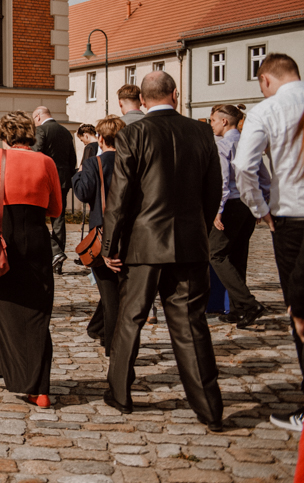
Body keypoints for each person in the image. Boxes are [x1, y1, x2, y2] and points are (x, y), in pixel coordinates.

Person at [101, 71, 224, 432]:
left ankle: (120, 394)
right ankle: (210, 409)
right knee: (191, 325)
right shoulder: (201, 132)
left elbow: (119, 197)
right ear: (175, 94)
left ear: (142, 99)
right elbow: (213, 189)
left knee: (130, 320)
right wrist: (198, 229)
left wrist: (110, 245)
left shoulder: (132, 133)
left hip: (143, 244)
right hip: (189, 242)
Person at [0, 110, 62, 409]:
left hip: (1, 241)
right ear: (31, 133)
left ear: (4, 135)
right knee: (34, 312)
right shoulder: (46, 162)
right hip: (36, 240)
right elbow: (55, 208)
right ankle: (37, 388)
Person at [233, 52, 304, 432]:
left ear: (265, 80)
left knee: (300, 310)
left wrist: (260, 209)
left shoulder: (267, 110)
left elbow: (244, 166)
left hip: (292, 218)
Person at [209, 104, 268, 328]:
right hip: (247, 206)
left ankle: (248, 304)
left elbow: (223, 181)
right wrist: (261, 204)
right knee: (238, 255)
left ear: (224, 121)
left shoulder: (223, 145)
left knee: (216, 254)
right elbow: (263, 175)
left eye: (213, 120)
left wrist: (218, 210)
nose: (212, 124)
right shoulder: (247, 143)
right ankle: (237, 310)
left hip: (231, 204)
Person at [72, 115, 126, 356]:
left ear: (101, 138)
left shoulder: (95, 162)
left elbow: (83, 193)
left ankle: (112, 344)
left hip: (103, 232)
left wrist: (77, 173)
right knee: (119, 289)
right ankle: (98, 327)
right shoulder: (132, 162)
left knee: (110, 292)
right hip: (131, 233)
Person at [116, 84, 157, 324]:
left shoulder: (119, 127)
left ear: (121, 102)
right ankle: (151, 307)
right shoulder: (153, 124)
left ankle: (133, 307)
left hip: (128, 200)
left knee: (129, 258)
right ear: (141, 100)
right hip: (154, 198)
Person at [31, 106, 76, 274]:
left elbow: (37, 155)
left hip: (45, 181)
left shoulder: (41, 130)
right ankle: (58, 263)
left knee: (38, 218)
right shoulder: (65, 132)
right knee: (59, 220)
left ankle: (55, 251)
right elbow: (72, 158)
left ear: (37, 117)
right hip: (63, 181)